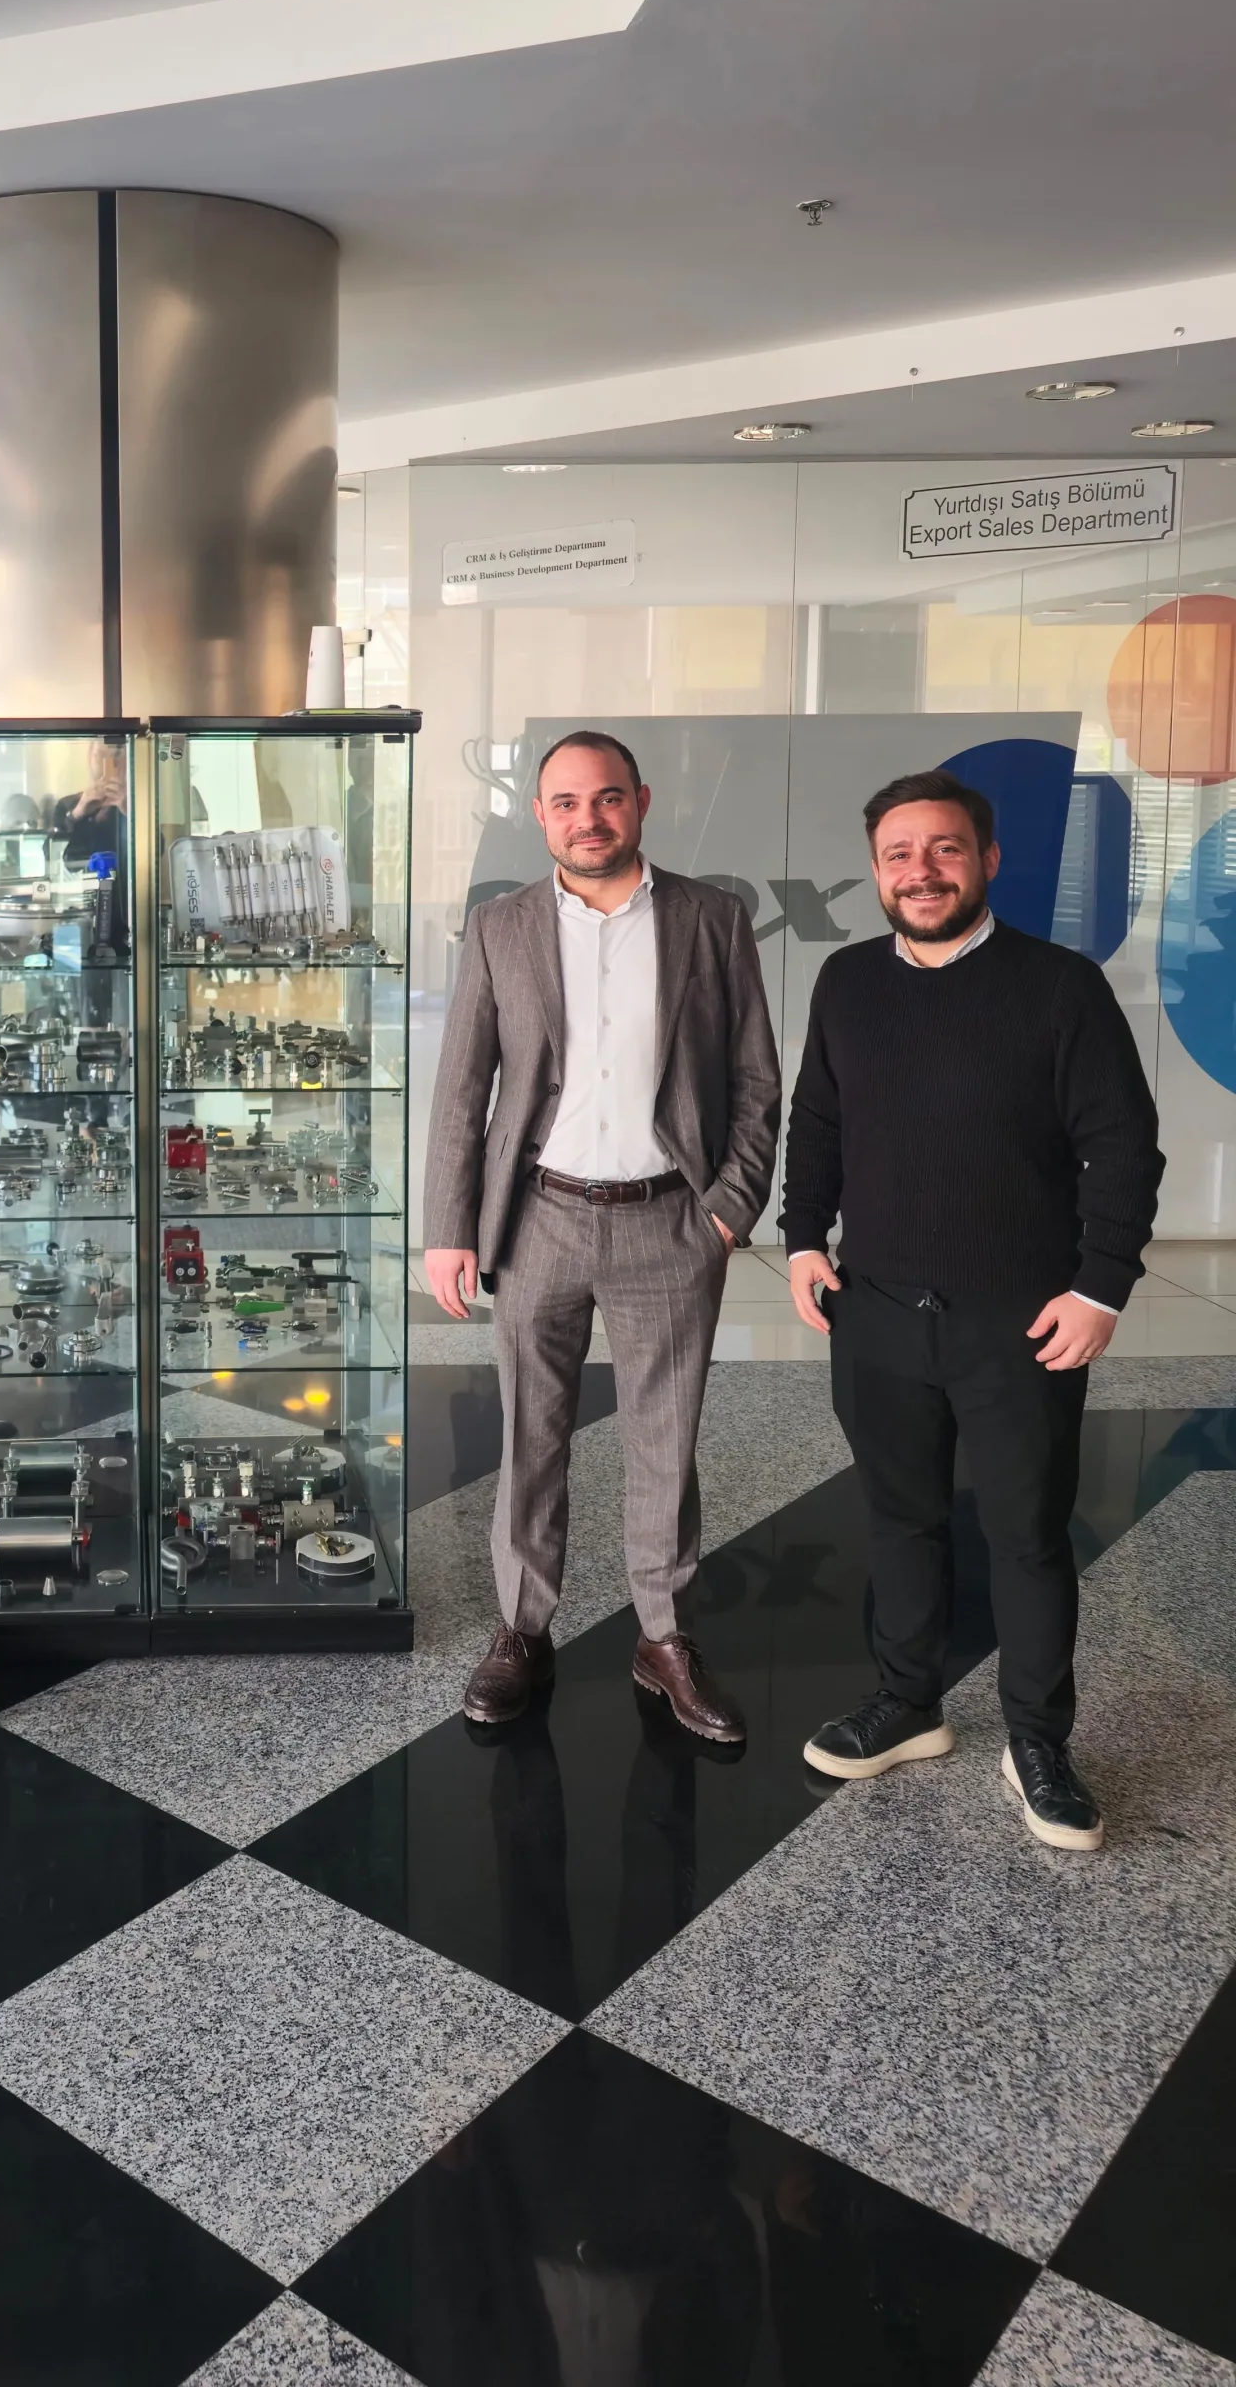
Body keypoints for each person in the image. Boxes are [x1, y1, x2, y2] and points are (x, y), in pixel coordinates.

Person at [785, 770, 1161, 1852]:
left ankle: (1036, 1741)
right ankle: (907, 1704)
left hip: (1019, 1323)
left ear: (987, 860)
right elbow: (818, 1121)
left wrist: (1099, 1285)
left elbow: (1121, 1145)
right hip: (874, 1312)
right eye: (899, 854)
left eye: (944, 849)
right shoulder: (846, 981)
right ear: (875, 871)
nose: (921, 871)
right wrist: (802, 1237)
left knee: (1026, 1537)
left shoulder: (1059, 986)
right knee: (899, 1520)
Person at [422, 731, 780, 1741]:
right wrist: (449, 1227)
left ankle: (662, 1637)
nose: (589, 818)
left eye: (608, 797)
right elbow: (462, 1089)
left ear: (641, 802)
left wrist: (728, 1207)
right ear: (541, 814)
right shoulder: (499, 926)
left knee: (666, 1441)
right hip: (536, 1216)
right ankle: (520, 1630)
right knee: (528, 1437)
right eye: (568, 801)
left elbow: (755, 1080)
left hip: (672, 1218)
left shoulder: (712, 918)